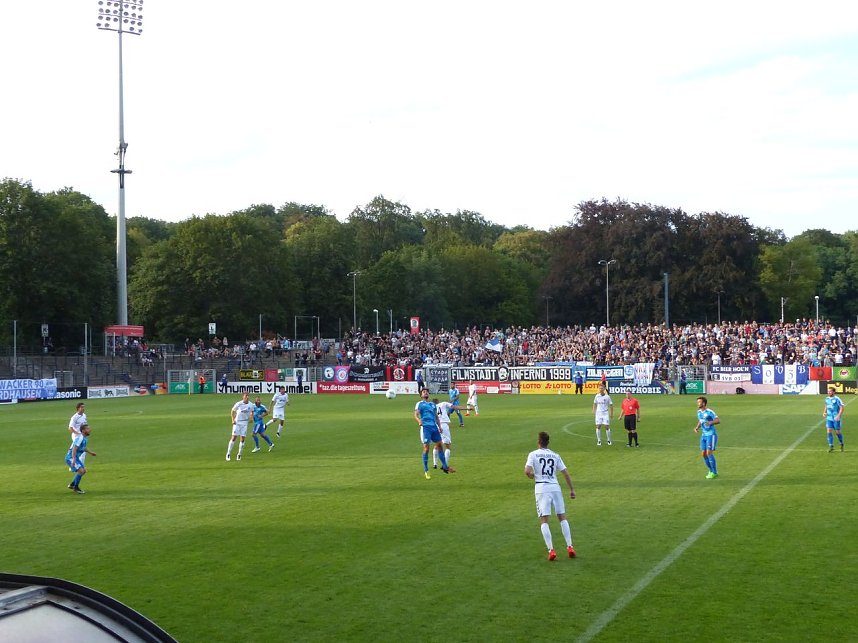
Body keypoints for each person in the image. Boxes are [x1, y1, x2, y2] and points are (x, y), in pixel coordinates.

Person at [524, 431, 577, 561]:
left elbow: (527, 471)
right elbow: (565, 473)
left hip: (542, 488)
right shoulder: (555, 455)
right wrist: (572, 489)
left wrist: (532, 476)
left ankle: (551, 550)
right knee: (562, 517)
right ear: (548, 442)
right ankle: (570, 546)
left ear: (538, 442)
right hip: (555, 487)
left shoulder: (533, 454)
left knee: (544, 520)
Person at [414, 389, 455, 479]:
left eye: (427, 392)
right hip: (425, 428)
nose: (426, 393)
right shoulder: (419, 404)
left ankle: (445, 466)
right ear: (421, 395)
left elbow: (436, 416)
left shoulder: (432, 405)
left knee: (439, 445)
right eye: (424, 392)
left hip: (434, 427)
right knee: (426, 448)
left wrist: (439, 426)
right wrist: (419, 420)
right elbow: (416, 414)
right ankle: (426, 470)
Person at [432, 397, 467, 469]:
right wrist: (467, 409)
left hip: (435, 426)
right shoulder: (443, 403)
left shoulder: (432, 407)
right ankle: (445, 465)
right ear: (438, 401)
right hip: (443, 425)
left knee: (437, 444)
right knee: (447, 446)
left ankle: (435, 464)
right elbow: (455, 407)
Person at [693, 396, 720, 479]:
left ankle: (714, 472)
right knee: (703, 454)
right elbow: (701, 420)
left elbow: (718, 420)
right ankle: (710, 470)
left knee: (709, 453)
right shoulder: (699, 412)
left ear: (704, 403)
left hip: (711, 435)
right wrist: (697, 427)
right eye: (697, 402)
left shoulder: (709, 412)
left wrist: (710, 422)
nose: (698, 403)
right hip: (704, 435)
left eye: (699, 402)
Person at [66, 423, 96, 494]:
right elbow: (74, 449)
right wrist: (73, 459)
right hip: (70, 457)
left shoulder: (84, 438)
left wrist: (90, 453)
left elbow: (83, 447)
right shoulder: (80, 438)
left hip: (75, 457)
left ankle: (72, 484)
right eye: (88, 429)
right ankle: (76, 487)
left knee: (83, 471)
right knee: (81, 471)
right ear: (83, 430)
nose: (90, 430)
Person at [226, 392, 254, 462]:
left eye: (248, 396)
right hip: (237, 422)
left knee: (242, 439)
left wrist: (251, 417)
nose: (247, 397)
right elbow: (232, 411)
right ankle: (228, 453)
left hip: (244, 422)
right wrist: (232, 419)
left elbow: (252, 411)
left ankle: (239, 454)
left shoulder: (251, 404)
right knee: (234, 437)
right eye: (246, 396)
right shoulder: (239, 404)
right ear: (243, 397)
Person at [823, 386, 845, 452]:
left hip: (836, 418)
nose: (829, 392)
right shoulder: (826, 399)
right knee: (829, 431)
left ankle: (841, 443)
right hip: (829, 418)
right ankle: (831, 446)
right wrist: (824, 412)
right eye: (828, 391)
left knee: (837, 432)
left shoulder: (837, 399)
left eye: (830, 391)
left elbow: (842, 407)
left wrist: (838, 415)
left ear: (834, 392)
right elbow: (826, 406)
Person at [68, 402, 88, 469]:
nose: (83, 408)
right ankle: (78, 466)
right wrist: (77, 433)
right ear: (78, 408)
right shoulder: (74, 417)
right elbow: (70, 428)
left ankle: (75, 466)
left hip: (82, 436)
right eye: (82, 407)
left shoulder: (84, 415)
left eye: (84, 407)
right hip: (76, 436)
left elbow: (85, 425)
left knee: (76, 451)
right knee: (80, 451)